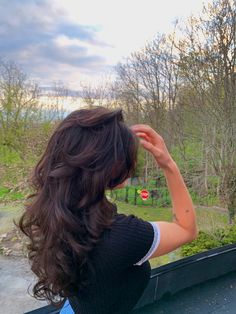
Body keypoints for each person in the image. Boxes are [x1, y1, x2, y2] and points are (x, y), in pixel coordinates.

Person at [18, 107, 198, 314]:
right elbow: (186, 229)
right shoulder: (123, 235)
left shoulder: (59, 211)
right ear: (113, 166)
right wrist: (168, 164)